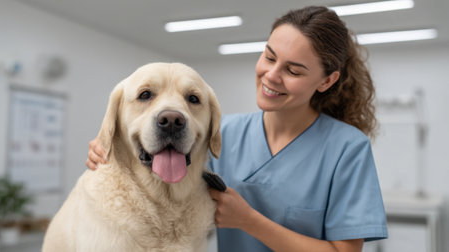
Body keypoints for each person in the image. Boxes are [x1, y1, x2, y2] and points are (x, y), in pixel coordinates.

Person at [86, 6, 388, 252]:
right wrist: (111, 152)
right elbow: (159, 186)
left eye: (293, 70)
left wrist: (250, 221)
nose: (271, 76)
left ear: (326, 81)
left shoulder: (347, 148)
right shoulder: (220, 134)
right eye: (269, 57)